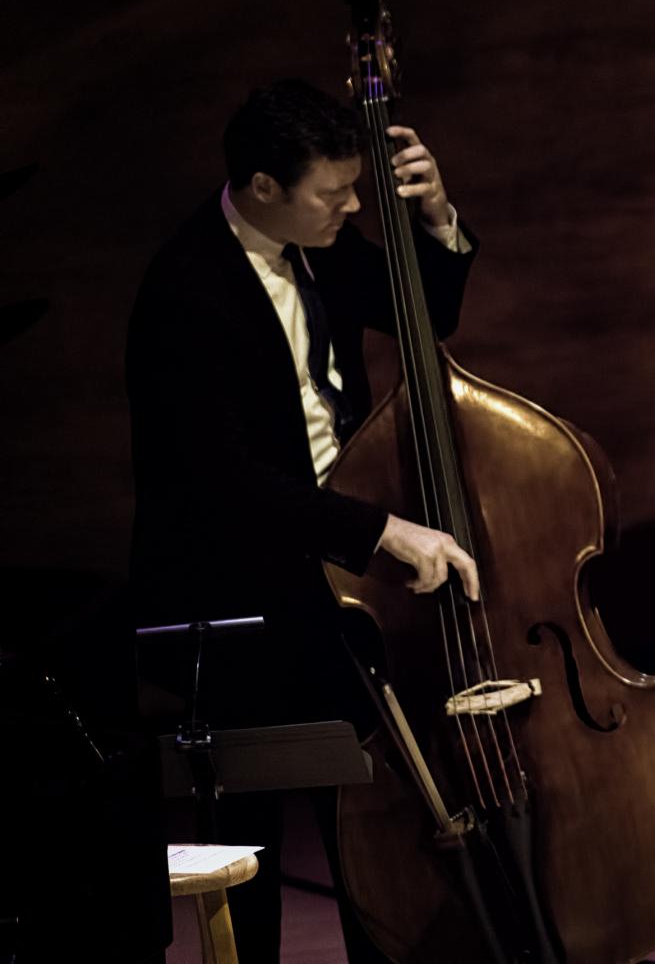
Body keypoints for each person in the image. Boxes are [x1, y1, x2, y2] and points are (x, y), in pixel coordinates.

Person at [126, 78, 480, 962]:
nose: (354, 205)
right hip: (239, 595)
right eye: (334, 193)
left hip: (333, 578)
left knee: (365, 820)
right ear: (262, 188)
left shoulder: (321, 243)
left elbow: (424, 314)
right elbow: (227, 481)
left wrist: (436, 217)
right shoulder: (186, 293)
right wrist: (383, 532)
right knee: (249, 845)